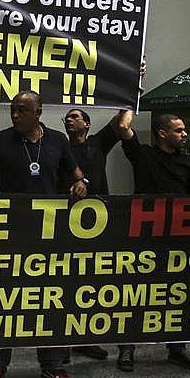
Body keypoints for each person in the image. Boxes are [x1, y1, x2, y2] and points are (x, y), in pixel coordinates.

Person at [0, 90, 87, 378]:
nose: (15, 115)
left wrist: (80, 184)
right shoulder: (1, 140)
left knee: (49, 297)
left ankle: (53, 364)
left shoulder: (58, 140)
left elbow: (77, 174)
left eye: (22, 110)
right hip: (9, 232)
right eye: (13, 110)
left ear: (39, 112)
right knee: (4, 299)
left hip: (47, 233)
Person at [119, 113, 190, 373]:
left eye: (184, 129)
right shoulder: (143, 155)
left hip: (177, 240)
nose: (184, 134)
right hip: (145, 239)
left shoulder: (189, 164)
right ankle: (127, 348)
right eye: (178, 130)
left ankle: (177, 349)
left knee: (176, 295)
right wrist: (135, 86)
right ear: (162, 133)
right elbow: (123, 126)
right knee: (137, 295)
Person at [62, 107, 134, 360]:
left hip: (98, 222)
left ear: (88, 124)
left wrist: (131, 83)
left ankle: (84, 340)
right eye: (67, 118)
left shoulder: (97, 143)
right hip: (67, 223)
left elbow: (122, 118)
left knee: (91, 283)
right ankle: (62, 341)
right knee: (67, 283)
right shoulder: (59, 146)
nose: (69, 120)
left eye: (75, 117)